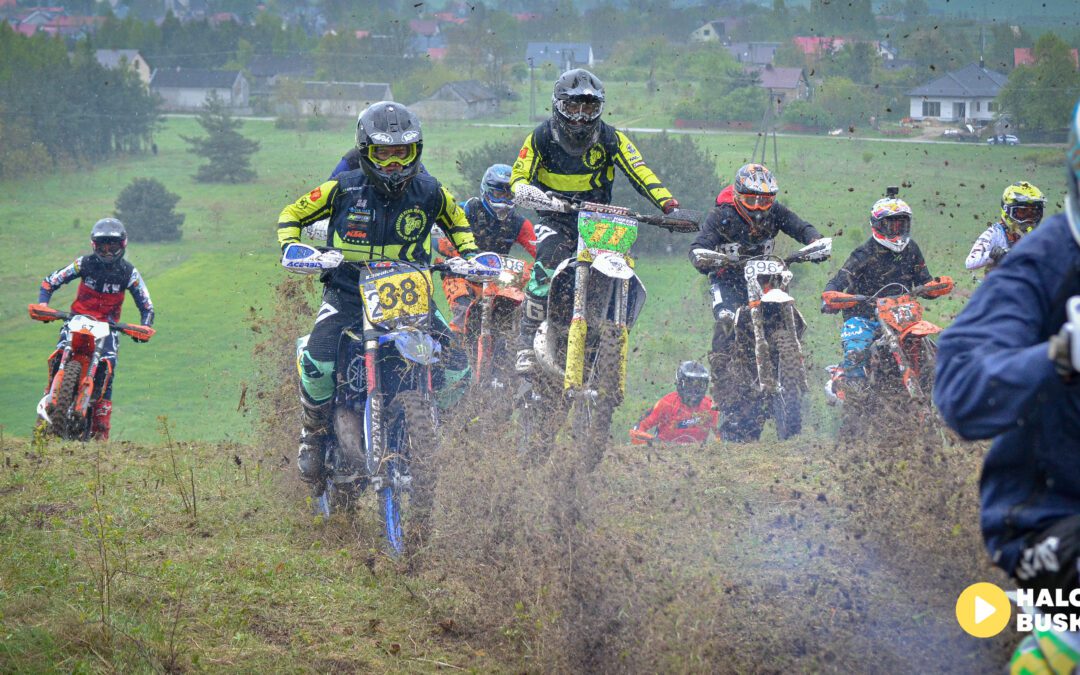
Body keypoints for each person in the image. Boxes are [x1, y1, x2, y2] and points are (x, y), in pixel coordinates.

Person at [276, 101, 480, 484]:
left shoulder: (431, 191)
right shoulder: (342, 187)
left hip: (409, 293)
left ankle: (438, 431)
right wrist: (292, 246)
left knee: (459, 368)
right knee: (317, 362)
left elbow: (459, 224)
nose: (393, 165)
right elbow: (292, 214)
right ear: (366, 151)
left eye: (401, 154)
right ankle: (313, 433)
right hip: (347, 292)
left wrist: (469, 256)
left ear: (415, 152)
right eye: (383, 154)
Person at [935, 98, 1080, 600]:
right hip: (1051, 513)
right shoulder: (1036, 261)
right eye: (1020, 212)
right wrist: (1056, 355)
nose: (1026, 218)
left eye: (1031, 213)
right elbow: (958, 387)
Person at [509, 68, 680, 371]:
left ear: (599, 108)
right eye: (573, 107)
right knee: (545, 264)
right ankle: (525, 341)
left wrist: (669, 206)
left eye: (589, 108)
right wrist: (532, 195)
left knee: (619, 270)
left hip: (599, 221)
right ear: (558, 105)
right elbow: (519, 177)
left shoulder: (611, 137)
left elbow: (640, 171)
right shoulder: (541, 136)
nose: (580, 117)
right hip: (555, 219)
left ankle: (609, 331)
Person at [689, 163, 822, 440]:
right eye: (752, 200)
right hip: (728, 280)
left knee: (789, 311)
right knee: (725, 322)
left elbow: (800, 226)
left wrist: (815, 241)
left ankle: (788, 370)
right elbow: (699, 244)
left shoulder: (776, 213)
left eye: (765, 200)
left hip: (765, 279)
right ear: (738, 196)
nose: (759, 207)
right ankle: (725, 388)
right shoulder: (721, 216)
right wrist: (702, 256)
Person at [28, 218, 155, 441]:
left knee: (107, 374)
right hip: (76, 321)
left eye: (112, 246)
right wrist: (43, 304)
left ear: (122, 245)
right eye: (102, 245)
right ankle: (47, 409)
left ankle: (100, 437)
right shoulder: (84, 264)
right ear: (94, 245)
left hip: (108, 328)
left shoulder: (129, 273)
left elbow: (147, 305)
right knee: (59, 358)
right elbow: (51, 281)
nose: (107, 251)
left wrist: (145, 327)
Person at [821, 196, 952, 386]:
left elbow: (925, 281)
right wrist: (831, 296)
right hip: (864, 314)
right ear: (878, 225)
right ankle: (853, 394)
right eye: (891, 226)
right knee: (856, 353)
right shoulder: (864, 253)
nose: (897, 231)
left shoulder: (912, 249)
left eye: (902, 225)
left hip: (903, 316)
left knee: (933, 348)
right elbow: (838, 281)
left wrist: (936, 286)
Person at [438, 163, 537, 334]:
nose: (505, 201)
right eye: (499, 193)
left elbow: (540, 250)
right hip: (461, 274)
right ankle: (455, 355)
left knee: (513, 310)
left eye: (510, 195)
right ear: (486, 191)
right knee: (462, 313)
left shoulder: (518, 222)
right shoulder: (467, 209)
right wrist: (452, 250)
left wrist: (539, 267)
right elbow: (439, 234)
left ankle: (509, 348)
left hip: (497, 277)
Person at [965, 181, 1046, 274]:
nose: (1028, 219)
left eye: (1034, 213)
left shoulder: (1038, 235)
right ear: (1007, 211)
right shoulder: (995, 232)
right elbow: (970, 262)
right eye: (1022, 212)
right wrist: (993, 254)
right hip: (1000, 285)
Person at [630, 361, 717, 444]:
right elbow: (637, 430)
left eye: (699, 385)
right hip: (664, 454)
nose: (693, 391)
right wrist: (653, 442)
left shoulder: (710, 406)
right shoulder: (667, 403)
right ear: (679, 383)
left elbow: (722, 436)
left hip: (699, 454)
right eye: (689, 384)